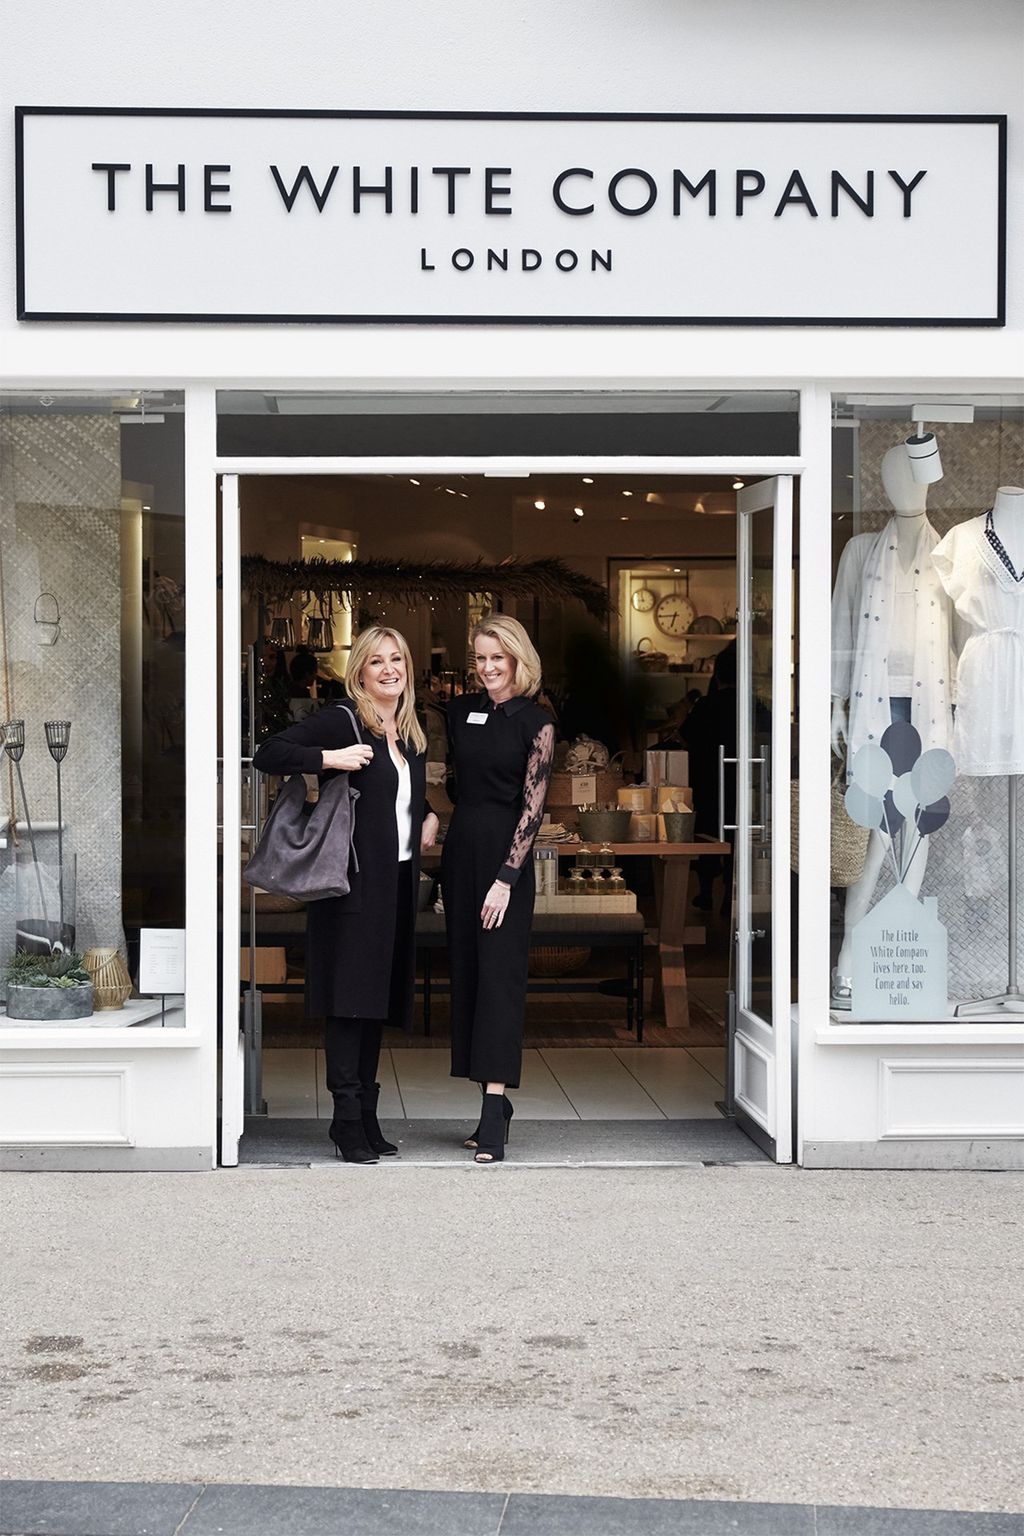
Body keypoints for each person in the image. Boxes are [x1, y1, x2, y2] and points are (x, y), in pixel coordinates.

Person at [252, 626, 439, 1163]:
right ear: (360, 671)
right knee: (348, 1004)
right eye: (377, 661)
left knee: (374, 1004)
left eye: (397, 659)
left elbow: (403, 796)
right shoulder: (344, 719)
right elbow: (270, 752)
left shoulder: (408, 730)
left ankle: (367, 1117)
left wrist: (425, 813)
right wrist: (330, 759)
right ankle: (345, 1120)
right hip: (353, 882)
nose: (389, 669)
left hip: (397, 881)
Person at [442, 614, 555, 1163]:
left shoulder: (536, 723)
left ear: (518, 661)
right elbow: (448, 782)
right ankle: (488, 1100)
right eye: (480, 658)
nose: (487, 667)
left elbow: (533, 810)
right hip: (461, 851)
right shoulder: (459, 712)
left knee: (500, 978)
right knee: (467, 973)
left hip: (504, 862)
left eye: (497, 658)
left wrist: (507, 879)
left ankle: (494, 1108)